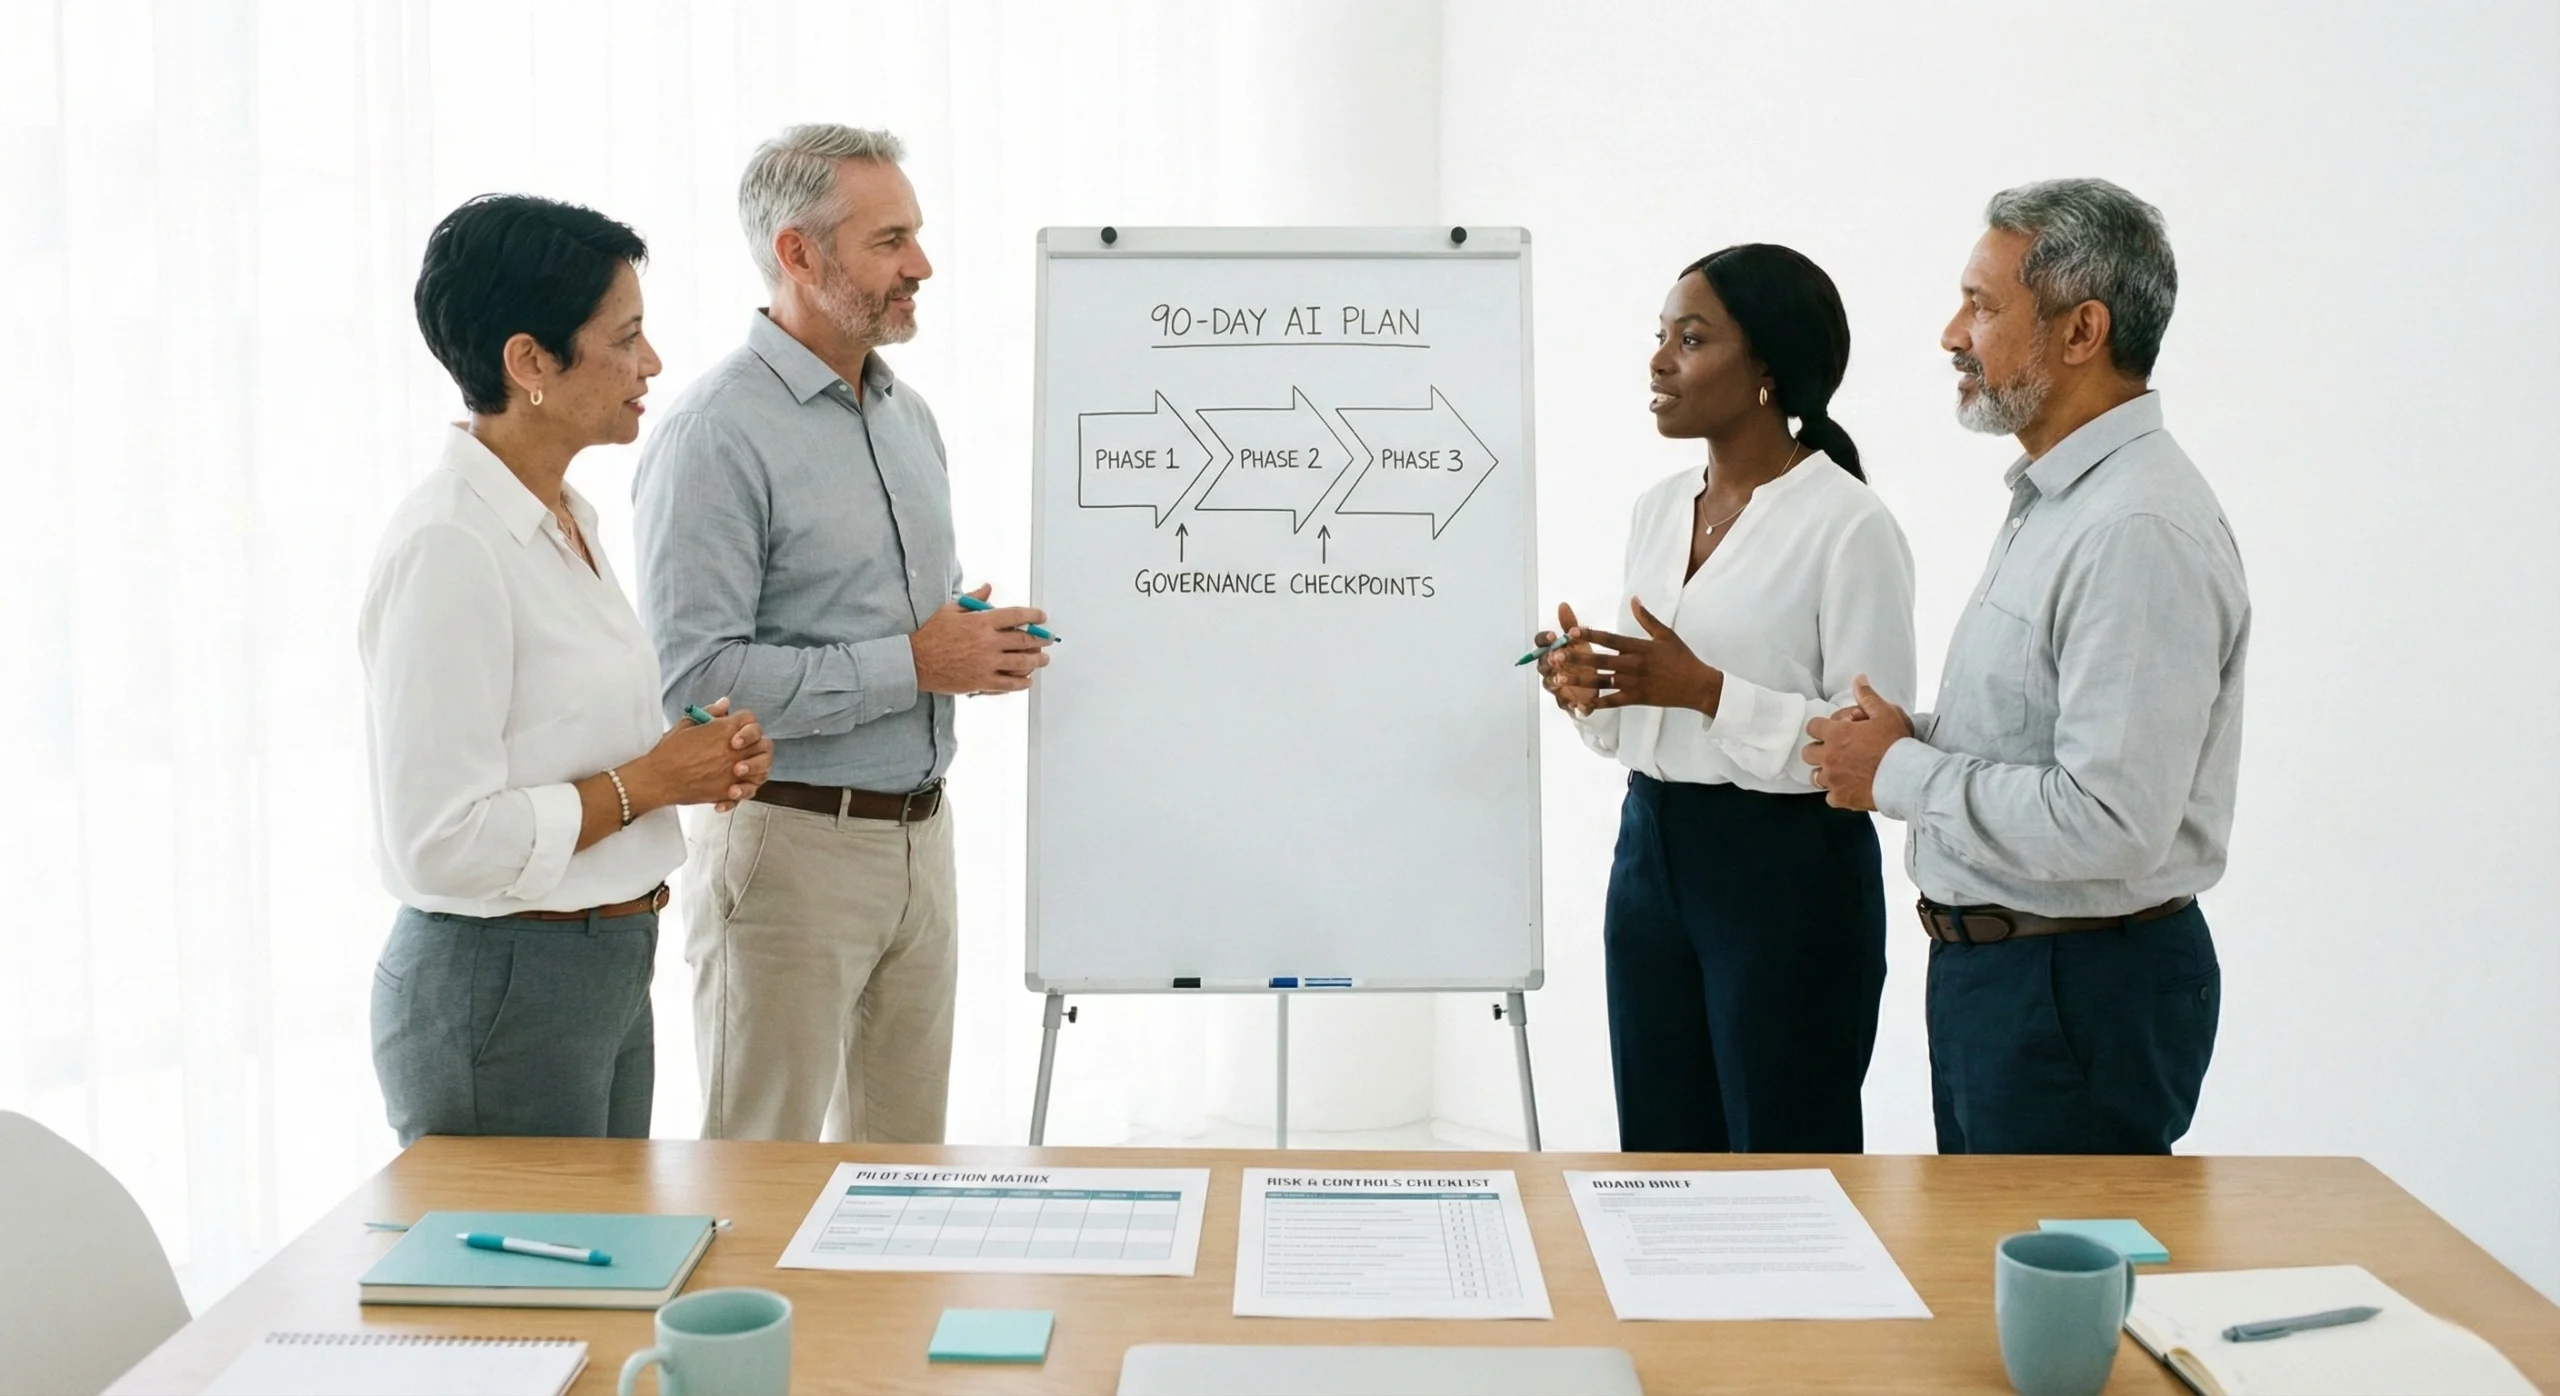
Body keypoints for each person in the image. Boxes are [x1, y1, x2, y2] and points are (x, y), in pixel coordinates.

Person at [1804, 178, 2248, 1156]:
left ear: (2082, 330)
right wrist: (1907, 740)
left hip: (2072, 991)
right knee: (1992, 1256)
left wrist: (1899, 772)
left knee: (2046, 1260)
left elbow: (2110, 821)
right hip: (2017, 983)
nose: (1950, 334)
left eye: (1982, 304)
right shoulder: (2064, 502)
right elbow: (2038, 740)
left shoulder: (2134, 529)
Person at [633, 124, 1051, 1144]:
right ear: (799, 254)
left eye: (916, 235)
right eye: (889, 241)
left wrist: (971, 642)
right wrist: (915, 661)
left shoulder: (911, 420)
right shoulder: (712, 435)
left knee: (902, 1174)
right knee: (758, 1176)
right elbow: (698, 684)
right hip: (787, 853)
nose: (922, 265)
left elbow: (908, 629)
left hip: (922, 843)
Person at [364, 195, 774, 1146]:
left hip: (603, 965)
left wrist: (691, 761)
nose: (652, 363)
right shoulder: (450, 546)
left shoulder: (563, 519)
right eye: (624, 338)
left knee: (609, 1243)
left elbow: (554, 743)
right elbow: (439, 841)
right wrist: (650, 782)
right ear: (529, 363)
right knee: (538, 1252)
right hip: (506, 983)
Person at [1538, 244, 1916, 1153]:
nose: (1659, 362)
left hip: (1788, 874)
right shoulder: (1658, 508)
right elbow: (1650, 711)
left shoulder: (1849, 525)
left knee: (1786, 1159)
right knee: (1662, 1158)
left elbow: (1874, 748)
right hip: (1650, 854)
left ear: (1767, 369)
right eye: (1661, 336)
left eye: (1692, 339)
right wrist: (1592, 691)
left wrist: (1709, 693)